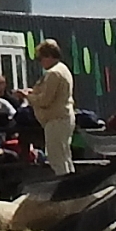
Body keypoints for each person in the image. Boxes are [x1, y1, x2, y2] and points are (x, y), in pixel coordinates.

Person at [17, 39, 75, 176]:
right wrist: (32, 92)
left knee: (56, 158)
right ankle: (72, 185)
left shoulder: (53, 73)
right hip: (63, 118)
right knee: (65, 157)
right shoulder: (63, 69)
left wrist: (27, 96)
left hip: (56, 120)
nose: (40, 62)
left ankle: (63, 188)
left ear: (48, 56)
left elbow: (45, 101)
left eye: (40, 58)